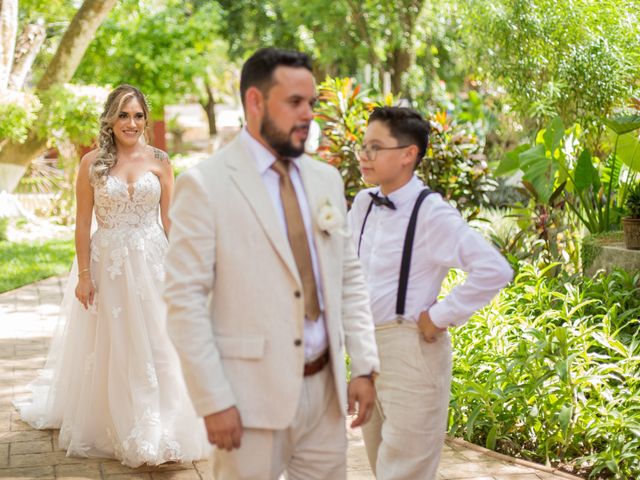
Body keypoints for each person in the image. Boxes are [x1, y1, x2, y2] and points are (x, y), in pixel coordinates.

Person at [163, 47, 380, 480]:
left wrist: (364, 365)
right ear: (255, 102)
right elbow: (184, 303)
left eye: (312, 103)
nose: (308, 115)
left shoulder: (325, 178)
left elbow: (348, 277)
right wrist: (213, 400)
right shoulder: (204, 185)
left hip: (326, 395)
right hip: (247, 400)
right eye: (294, 103)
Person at [15, 84, 209, 467]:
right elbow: (82, 224)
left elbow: (170, 220)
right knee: (120, 346)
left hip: (154, 262)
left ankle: (165, 425)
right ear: (111, 119)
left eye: (138, 115)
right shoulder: (93, 164)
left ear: (145, 119)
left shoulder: (160, 161)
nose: (131, 123)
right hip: (112, 266)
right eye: (123, 115)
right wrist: (84, 276)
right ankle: (129, 427)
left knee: (161, 342)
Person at [348, 106, 513, 479]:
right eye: (363, 145)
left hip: (411, 354)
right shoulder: (364, 204)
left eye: (376, 146)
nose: (363, 154)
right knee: (381, 467)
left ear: (408, 154)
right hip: (368, 351)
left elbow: (494, 269)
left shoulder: (431, 213)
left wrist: (438, 316)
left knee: (404, 473)